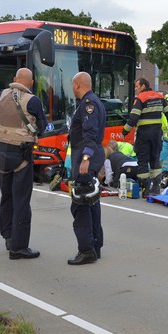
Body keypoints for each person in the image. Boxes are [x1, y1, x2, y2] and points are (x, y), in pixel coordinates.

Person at [0, 68, 47, 259]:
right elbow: (42, 125)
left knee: (6, 197)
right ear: (30, 83)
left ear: (14, 79)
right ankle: (19, 247)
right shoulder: (32, 101)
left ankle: (8, 237)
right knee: (21, 200)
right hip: (21, 154)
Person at [68, 71, 106, 265]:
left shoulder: (88, 104)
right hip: (91, 154)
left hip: (86, 155)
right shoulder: (95, 101)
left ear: (77, 84)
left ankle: (86, 250)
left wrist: (85, 158)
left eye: (72, 85)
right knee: (92, 201)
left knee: (81, 203)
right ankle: (95, 246)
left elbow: (89, 132)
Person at [122, 78, 168, 197]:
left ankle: (145, 188)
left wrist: (124, 132)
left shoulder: (140, 98)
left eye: (137, 86)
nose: (135, 89)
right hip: (157, 134)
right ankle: (156, 187)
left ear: (143, 86)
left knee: (143, 161)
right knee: (155, 160)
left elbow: (133, 118)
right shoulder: (160, 97)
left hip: (144, 135)